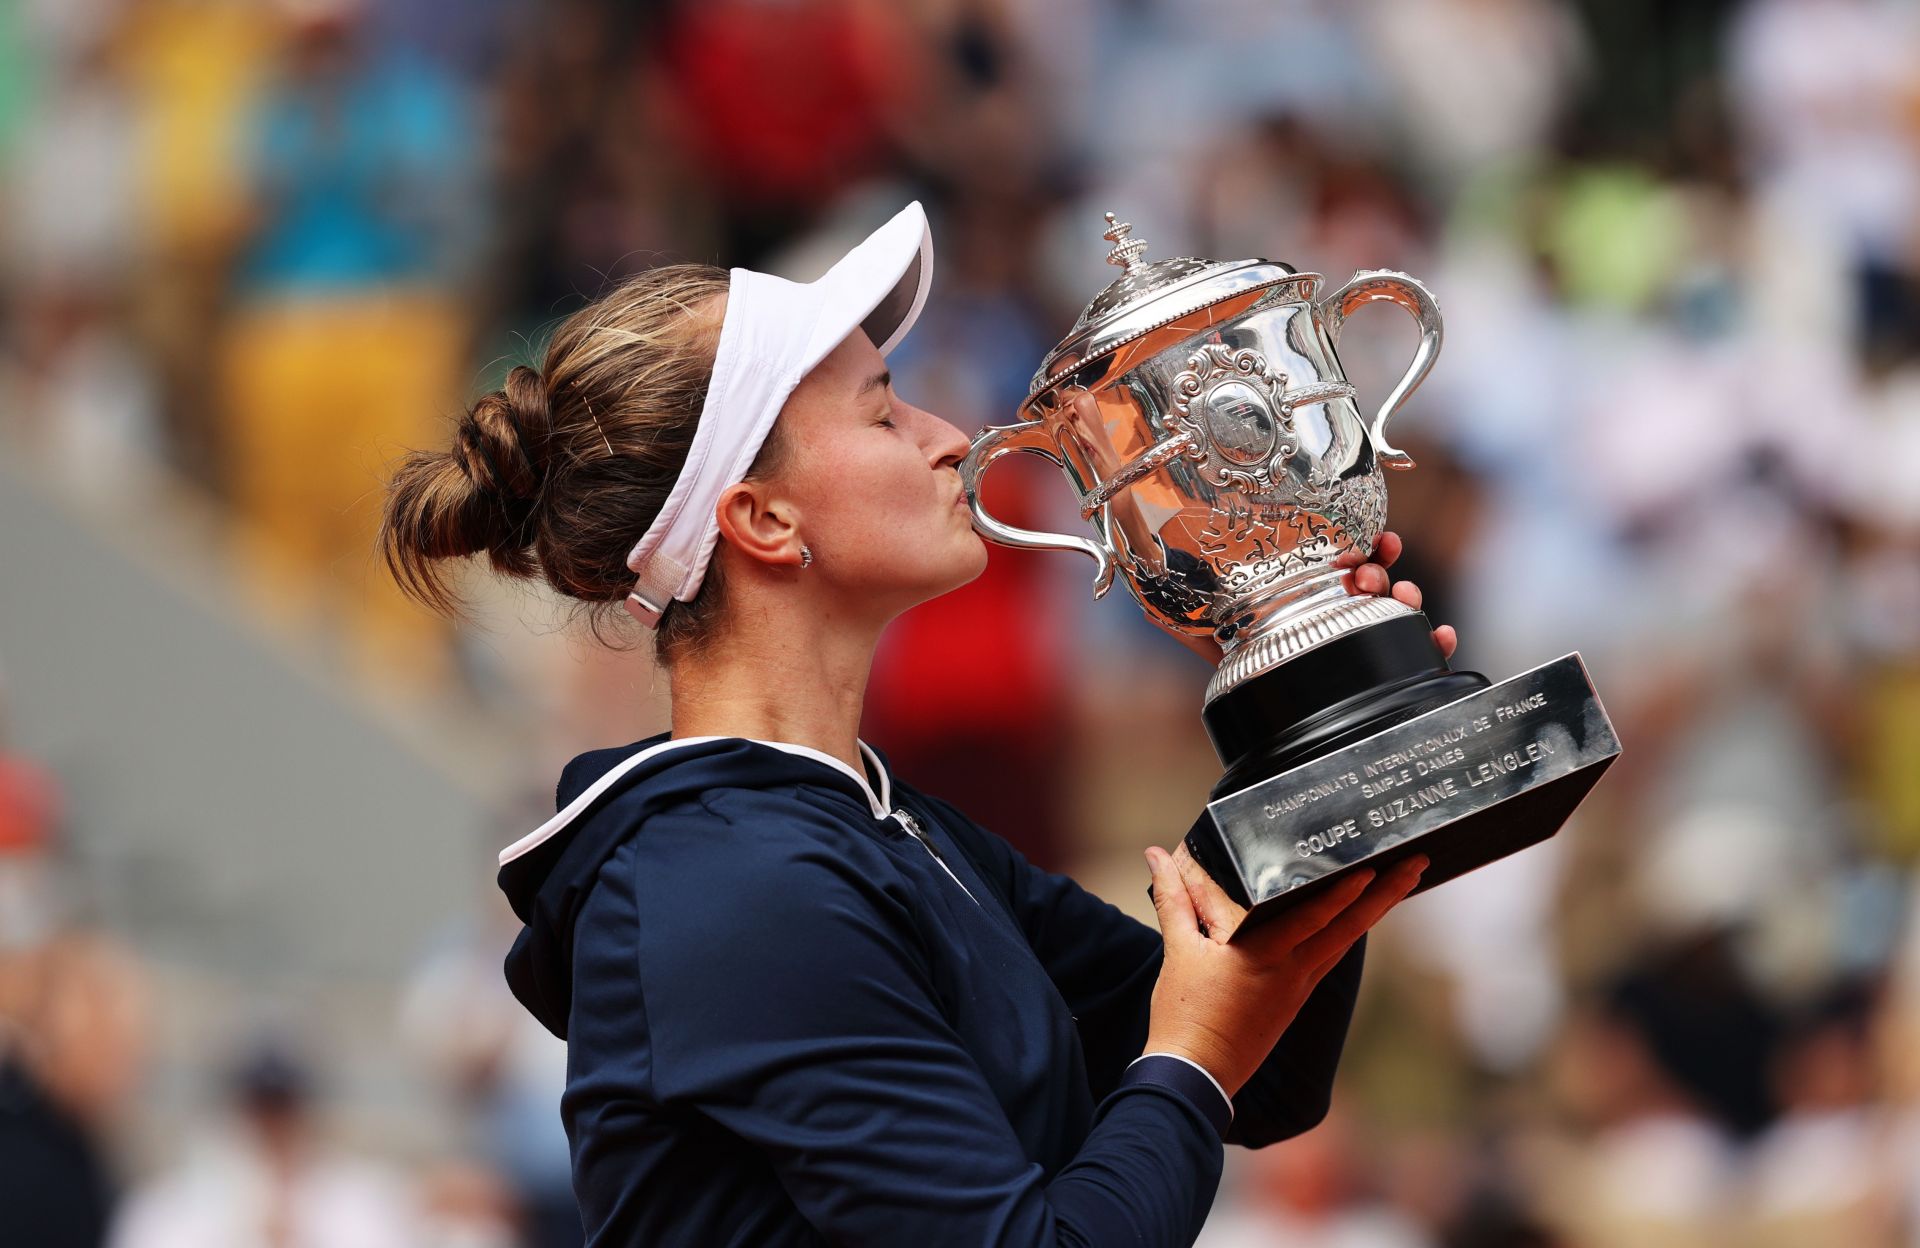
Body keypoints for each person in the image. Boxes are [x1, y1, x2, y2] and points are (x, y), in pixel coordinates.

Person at [380, 202, 1449, 1245]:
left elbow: (1258, 1072)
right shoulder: (737, 889)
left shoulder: (868, 823)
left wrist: (1304, 694)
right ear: (762, 518)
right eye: (886, 411)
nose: (951, 439)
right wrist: (1192, 1057)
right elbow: (1180, 1080)